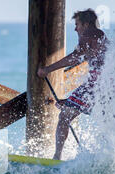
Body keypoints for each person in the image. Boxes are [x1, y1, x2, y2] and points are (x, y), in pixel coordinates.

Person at [37, 9, 108, 160]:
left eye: (77, 24)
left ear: (86, 24)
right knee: (104, 122)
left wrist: (48, 69)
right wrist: (70, 101)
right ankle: (105, 157)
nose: (76, 29)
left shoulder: (88, 34)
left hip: (98, 85)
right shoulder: (99, 35)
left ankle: (57, 156)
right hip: (106, 85)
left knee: (64, 116)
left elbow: (75, 57)